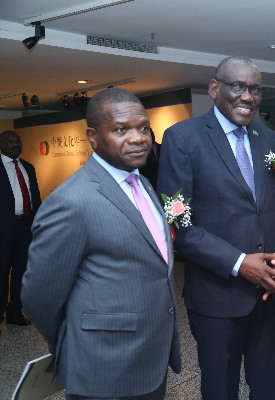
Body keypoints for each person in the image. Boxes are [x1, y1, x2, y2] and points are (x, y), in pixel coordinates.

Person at [21, 88, 181, 399]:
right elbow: (39, 295)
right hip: (105, 366)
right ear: (93, 137)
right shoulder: (71, 201)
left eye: (143, 128)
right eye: (121, 130)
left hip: (152, 358)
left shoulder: (142, 183)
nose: (138, 138)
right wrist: (74, 345)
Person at [157, 56, 275, 400]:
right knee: (220, 389)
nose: (247, 97)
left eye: (255, 90)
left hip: (270, 295)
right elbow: (178, 225)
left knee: (270, 386)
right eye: (237, 86)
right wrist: (239, 262)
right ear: (214, 88)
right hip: (217, 298)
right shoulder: (183, 138)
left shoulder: (267, 138)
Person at [0, 130, 41, 330]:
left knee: (21, 273)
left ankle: (14, 312)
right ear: (1, 144)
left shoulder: (28, 167)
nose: (15, 144)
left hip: (25, 228)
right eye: (9, 141)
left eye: (17, 141)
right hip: (3, 230)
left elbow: (35, 198)